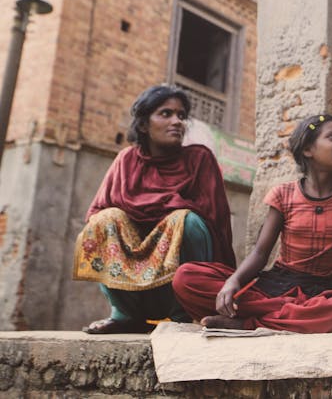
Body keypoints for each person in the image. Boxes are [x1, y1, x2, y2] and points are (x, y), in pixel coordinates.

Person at [172, 114, 332, 333]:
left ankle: (249, 323)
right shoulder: (283, 194)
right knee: (186, 278)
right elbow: (260, 254)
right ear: (308, 150)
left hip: (322, 295)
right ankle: (282, 317)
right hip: (275, 287)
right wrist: (233, 281)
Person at [73, 85, 235, 334]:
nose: (177, 122)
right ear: (144, 125)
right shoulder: (126, 160)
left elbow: (213, 225)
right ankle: (124, 314)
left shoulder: (199, 158)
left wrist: (168, 223)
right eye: (166, 113)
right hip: (134, 282)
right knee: (104, 219)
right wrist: (139, 241)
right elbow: (96, 215)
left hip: (182, 284)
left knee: (187, 220)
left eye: (181, 116)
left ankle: (184, 315)